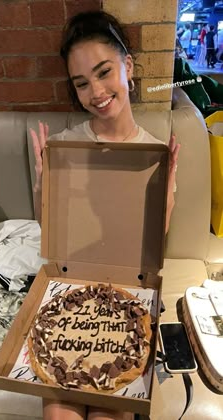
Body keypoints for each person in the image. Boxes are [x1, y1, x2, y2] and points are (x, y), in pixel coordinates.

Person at [30, 10, 180, 420]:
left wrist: (163, 195)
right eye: (81, 83)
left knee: (106, 415)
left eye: (103, 72)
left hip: (127, 302)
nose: (95, 91)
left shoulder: (155, 152)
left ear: (127, 67)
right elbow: (56, 244)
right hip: (71, 299)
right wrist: (45, 188)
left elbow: (149, 254)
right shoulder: (63, 147)